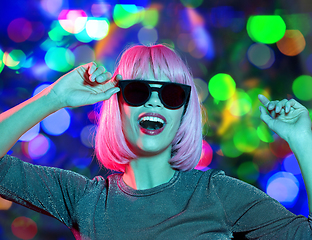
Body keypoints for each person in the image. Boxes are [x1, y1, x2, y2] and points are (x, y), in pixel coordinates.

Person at [0, 44, 311, 239]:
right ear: (117, 105)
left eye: (171, 94)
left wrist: (302, 140)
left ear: (183, 112)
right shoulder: (84, 198)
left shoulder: (216, 193)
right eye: (137, 91)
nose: (154, 103)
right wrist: (53, 97)